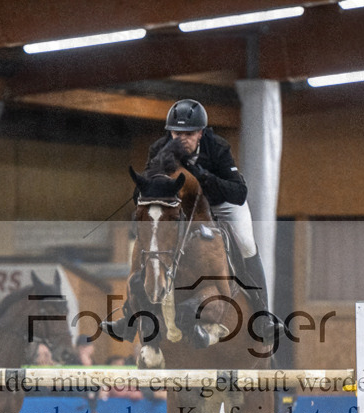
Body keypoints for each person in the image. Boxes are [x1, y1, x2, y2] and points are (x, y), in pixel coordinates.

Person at [104, 99, 275, 340]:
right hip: (182, 208)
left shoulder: (217, 147)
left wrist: (204, 176)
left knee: (246, 245)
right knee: (154, 243)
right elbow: (142, 192)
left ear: (201, 133)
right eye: (176, 133)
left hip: (222, 203)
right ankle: (129, 316)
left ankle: (263, 315)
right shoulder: (159, 149)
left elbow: (238, 193)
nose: (182, 138)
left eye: (190, 133)